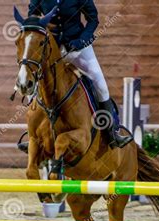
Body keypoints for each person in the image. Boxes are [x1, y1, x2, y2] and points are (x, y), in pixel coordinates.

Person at [28, 0, 133, 148]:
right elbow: (32, 17)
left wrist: (82, 40)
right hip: (52, 49)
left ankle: (112, 133)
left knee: (100, 84)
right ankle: (33, 136)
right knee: (31, 83)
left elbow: (93, 20)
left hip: (78, 48)